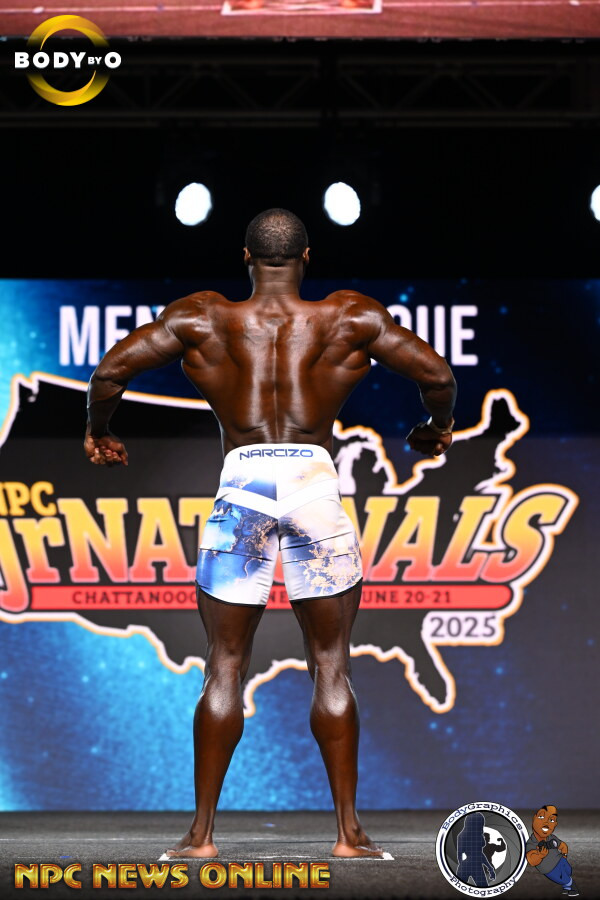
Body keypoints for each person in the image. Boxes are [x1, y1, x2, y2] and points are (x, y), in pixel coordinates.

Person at [84, 208, 456, 859]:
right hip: (312, 480)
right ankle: (348, 834)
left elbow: (110, 373)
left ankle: (200, 836)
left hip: (244, 480)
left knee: (225, 664)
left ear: (245, 258)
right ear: (307, 257)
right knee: (331, 663)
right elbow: (439, 377)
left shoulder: (202, 317)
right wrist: (434, 428)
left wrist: (100, 430)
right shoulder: (348, 316)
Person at [526, 806, 579, 897]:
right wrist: (540, 855)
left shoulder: (551, 838)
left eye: (551, 820)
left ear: (555, 824)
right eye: (541, 817)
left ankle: (566, 887)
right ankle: (572, 885)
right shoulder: (532, 843)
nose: (546, 822)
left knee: (568, 871)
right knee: (562, 879)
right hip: (548, 868)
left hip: (560, 860)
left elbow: (562, 845)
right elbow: (531, 860)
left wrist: (564, 855)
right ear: (534, 818)